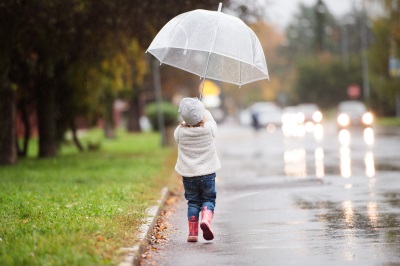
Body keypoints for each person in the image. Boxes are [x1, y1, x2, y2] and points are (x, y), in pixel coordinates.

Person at [174, 97, 221, 242]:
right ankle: (206, 219)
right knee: (208, 199)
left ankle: (193, 233)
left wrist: (190, 117)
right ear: (203, 115)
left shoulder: (180, 132)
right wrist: (204, 110)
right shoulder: (209, 129)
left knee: (193, 202)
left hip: (189, 175)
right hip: (207, 174)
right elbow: (212, 122)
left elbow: (178, 129)